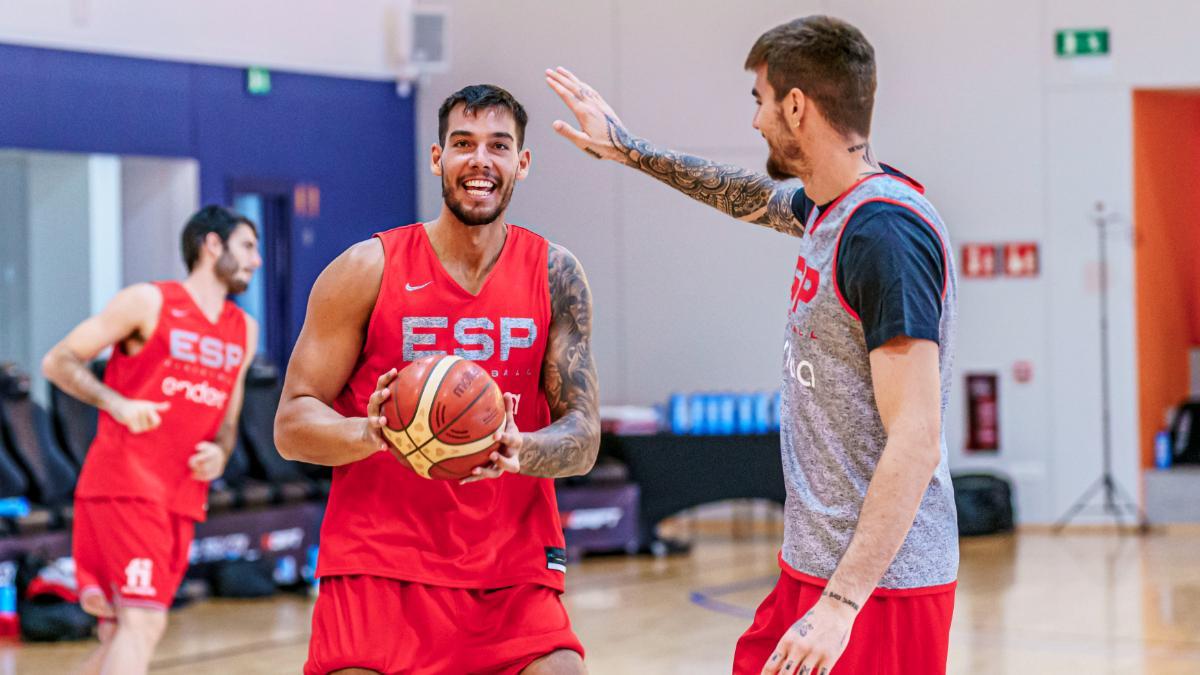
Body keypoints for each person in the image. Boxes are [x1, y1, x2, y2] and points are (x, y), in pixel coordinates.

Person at [547, 15, 958, 675]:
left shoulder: (886, 235)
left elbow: (916, 434)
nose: (755, 120)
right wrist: (627, 149)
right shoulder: (832, 209)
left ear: (797, 105)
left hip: (880, 587)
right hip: (815, 569)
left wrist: (841, 602)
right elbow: (746, 195)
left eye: (760, 100)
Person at [274, 84, 600, 675]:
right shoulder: (366, 269)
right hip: (378, 564)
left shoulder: (555, 275)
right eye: (463, 144)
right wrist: (371, 433)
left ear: (522, 163)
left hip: (512, 569)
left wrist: (520, 448)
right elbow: (292, 423)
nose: (480, 160)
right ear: (436, 158)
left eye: (499, 146)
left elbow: (583, 438)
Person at [42, 205, 261, 675]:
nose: (256, 259)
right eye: (247, 246)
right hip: (125, 486)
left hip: (182, 497)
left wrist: (221, 454)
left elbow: (228, 417)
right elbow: (58, 361)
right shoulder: (149, 302)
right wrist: (116, 402)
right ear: (212, 244)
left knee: (125, 631)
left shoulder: (243, 329)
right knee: (142, 624)